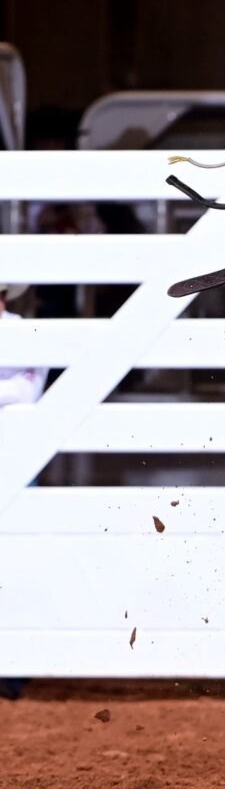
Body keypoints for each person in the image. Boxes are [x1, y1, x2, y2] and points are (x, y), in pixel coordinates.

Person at [0, 283, 48, 700]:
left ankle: (14, 670)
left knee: (17, 560)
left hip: (13, 457)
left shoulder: (24, 332)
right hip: (13, 451)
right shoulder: (24, 333)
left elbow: (26, 392)